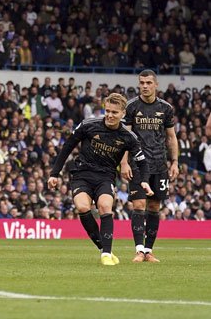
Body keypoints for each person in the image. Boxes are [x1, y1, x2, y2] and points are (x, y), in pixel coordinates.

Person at [47, 93, 152, 265]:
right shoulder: (89, 125)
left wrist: (145, 180)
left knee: (104, 206)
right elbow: (68, 146)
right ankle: (103, 247)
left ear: (123, 114)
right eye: (107, 111)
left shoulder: (128, 137)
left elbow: (142, 162)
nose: (110, 115)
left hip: (105, 177)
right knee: (82, 207)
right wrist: (54, 173)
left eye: (115, 112)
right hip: (82, 174)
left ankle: (106, 254)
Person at [121, 69, 178, 263]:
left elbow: (171, 137)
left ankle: (148, 250)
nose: (144, 86)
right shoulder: (131, 107)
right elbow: (124, 138)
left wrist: (175, 162)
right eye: (142, 82)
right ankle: (138, 250)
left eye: (148, 82)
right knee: (138, 205)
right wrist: (123, 163)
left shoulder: (166, 108)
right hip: (137, 165)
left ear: (156, 84)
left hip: (160, 165)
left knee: (154, 206)